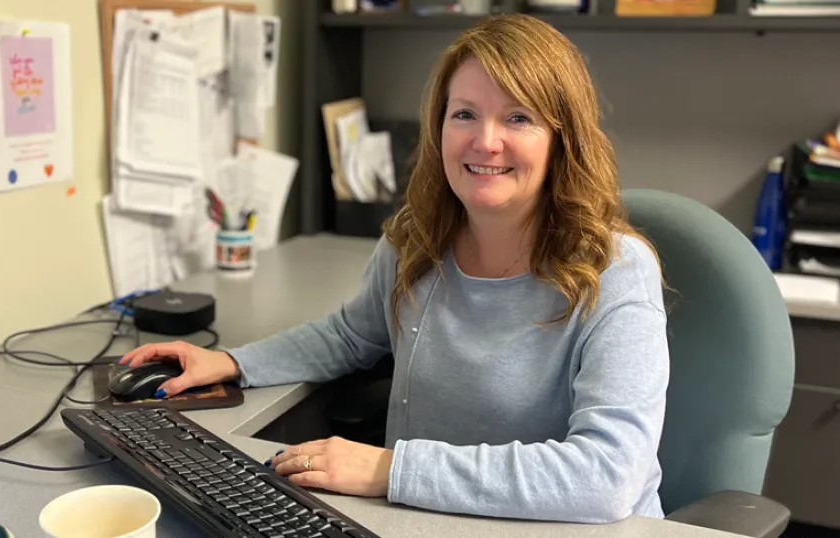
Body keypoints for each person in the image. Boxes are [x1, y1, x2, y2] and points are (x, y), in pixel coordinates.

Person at [120, 13, 670, 524]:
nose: (485, 141)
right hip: (422, 521)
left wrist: (388, 469)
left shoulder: (615, 271)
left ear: (562, 140)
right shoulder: (419, 236)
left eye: (519, 118)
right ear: (438, 127)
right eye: (465, 114)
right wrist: (231, 361)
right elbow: (348, 335)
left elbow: (608, 475)